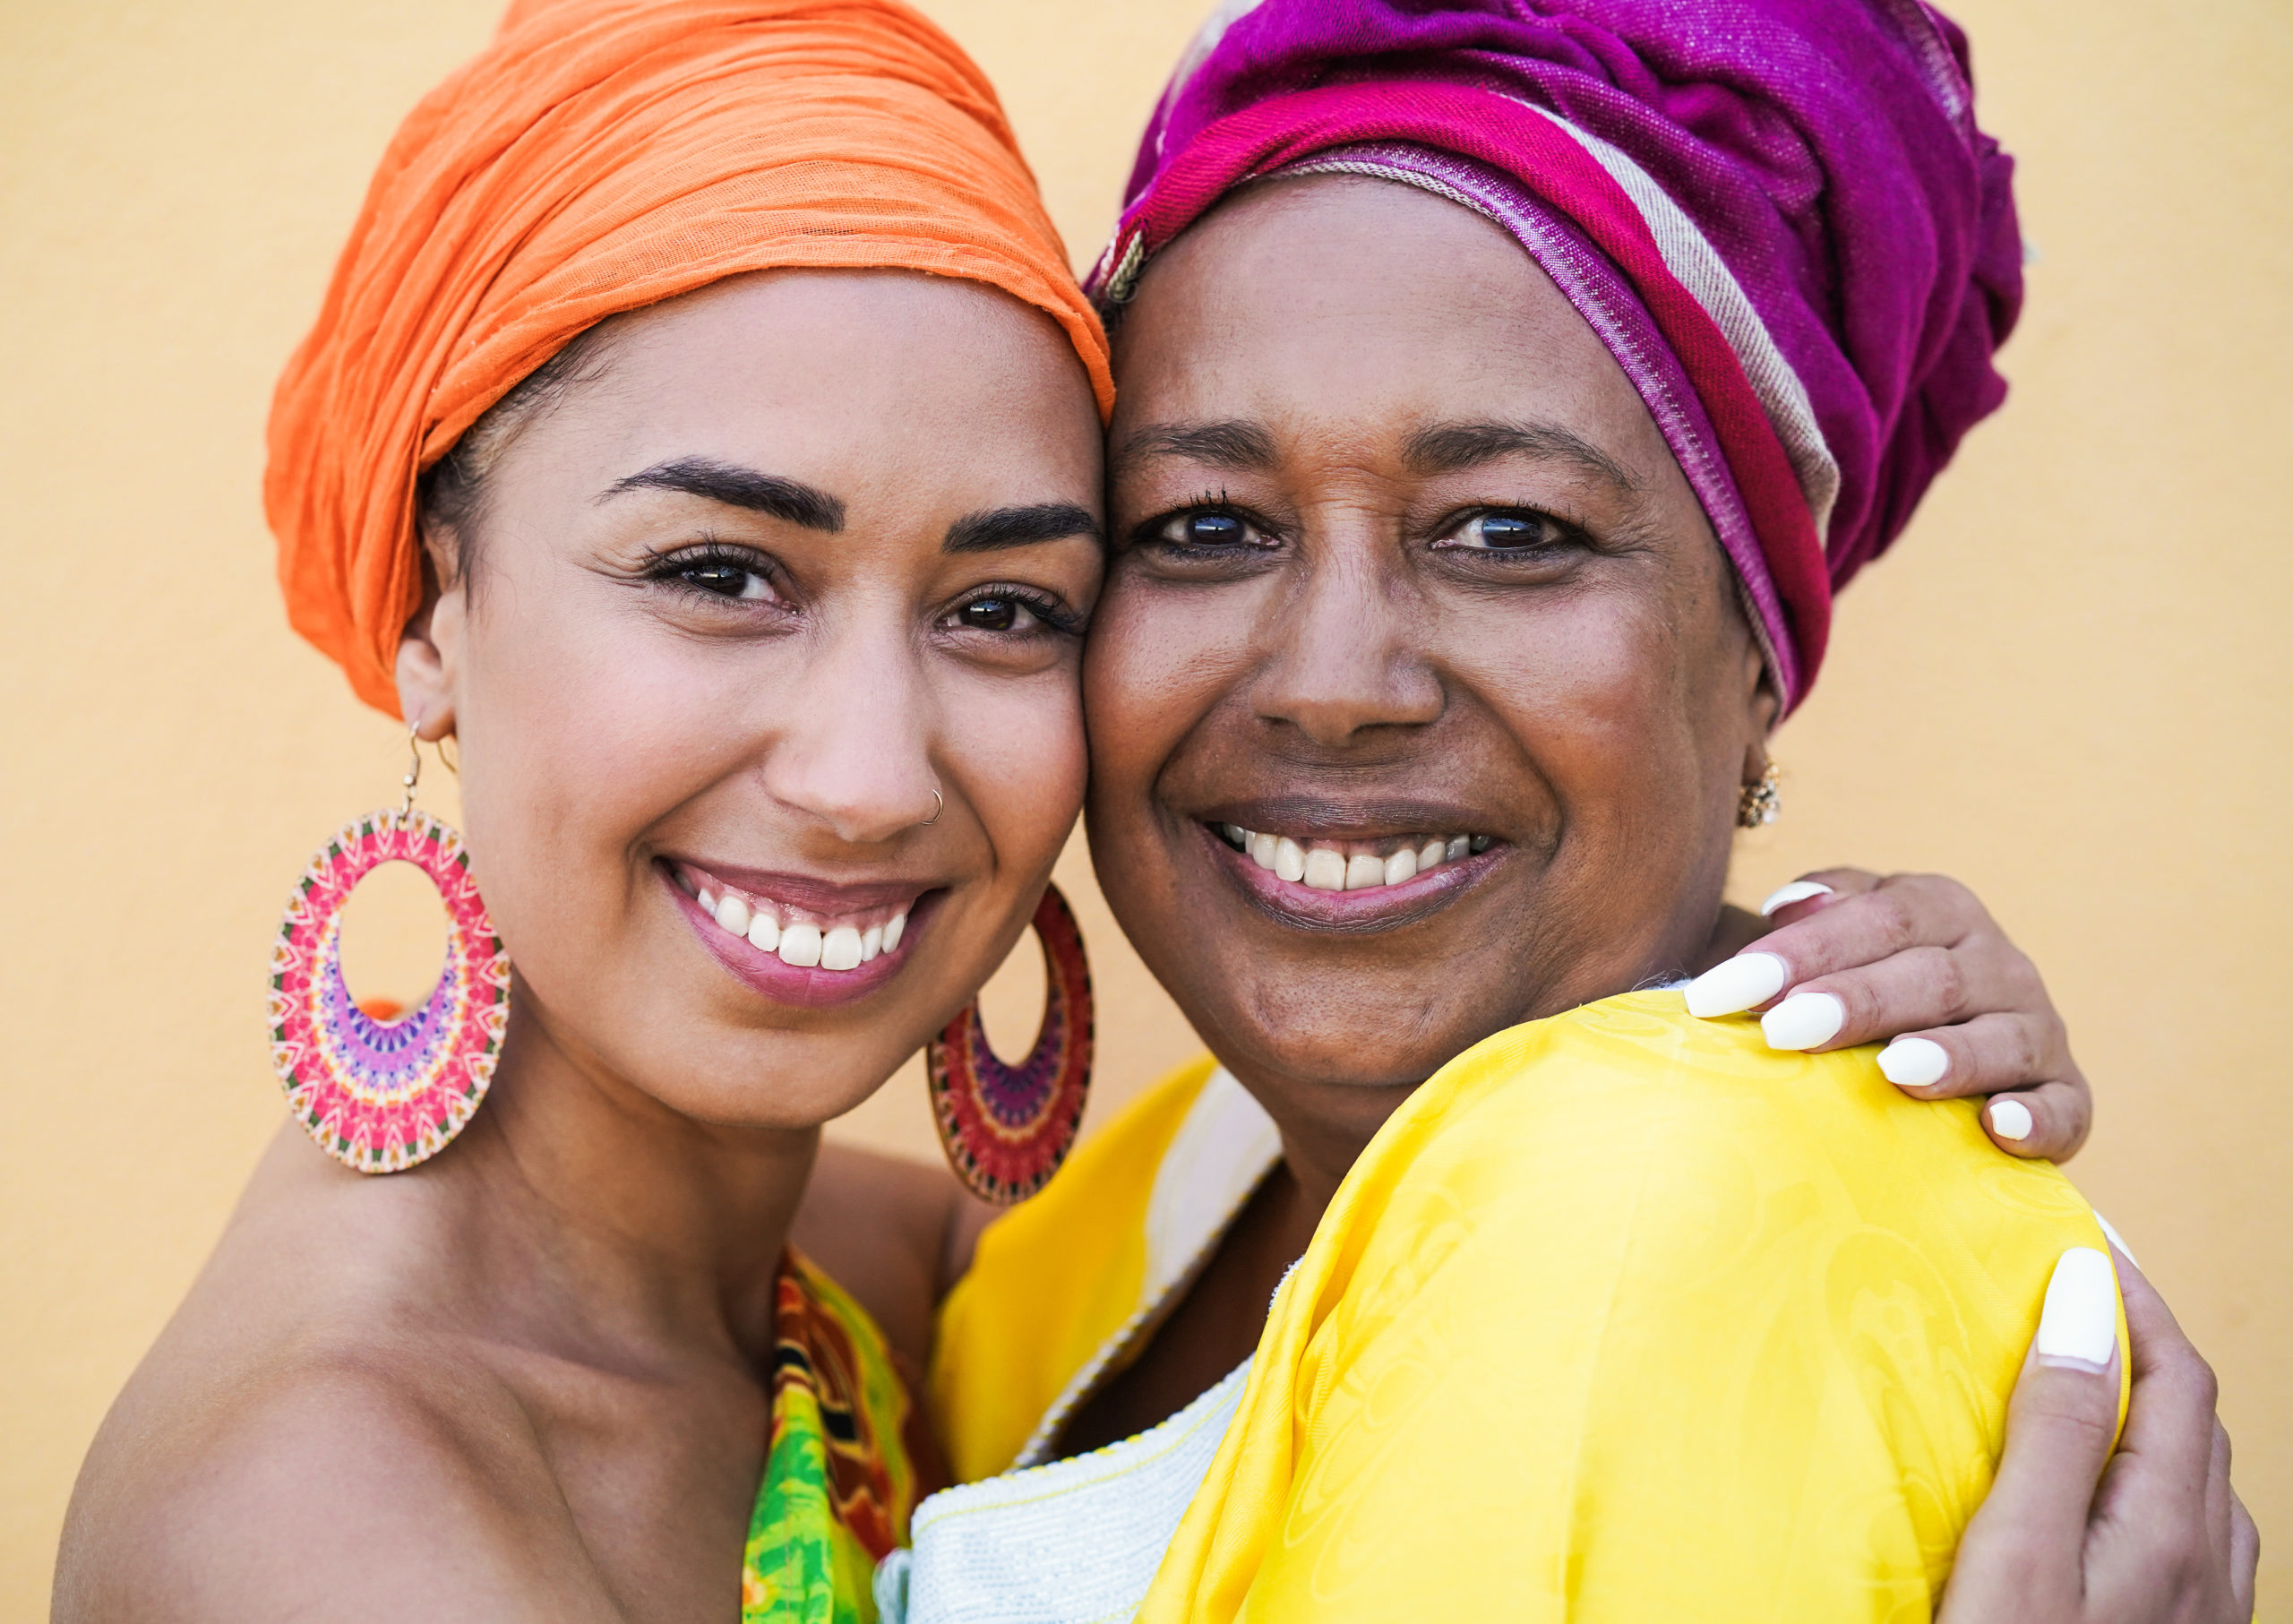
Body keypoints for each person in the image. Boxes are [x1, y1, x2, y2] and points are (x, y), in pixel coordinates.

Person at [894, 1, 2257, 1620]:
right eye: (1202, 525)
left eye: (1507, 530)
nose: (1333, 681)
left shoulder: (1637, 1217)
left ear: (1758, 647)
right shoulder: (1181, 1178)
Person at [54, 3, 1113, 1620]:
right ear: (432, 614)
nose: (873, 773)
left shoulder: (824, 1276)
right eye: (719, 574)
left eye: (1005, 607)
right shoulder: (333, 1520)